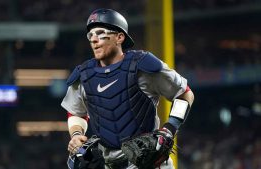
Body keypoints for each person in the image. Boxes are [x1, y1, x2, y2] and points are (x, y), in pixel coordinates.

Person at [61, 8, 194, 169]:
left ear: (119, 37)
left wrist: (169, 129)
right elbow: (75, 112)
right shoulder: (83, 75)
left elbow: (185, 94)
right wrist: (76, 134)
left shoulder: (142, 65)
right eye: (91, 35)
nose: (94, 39)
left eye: (101, 33)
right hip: (109, 163)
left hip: (149, 162)